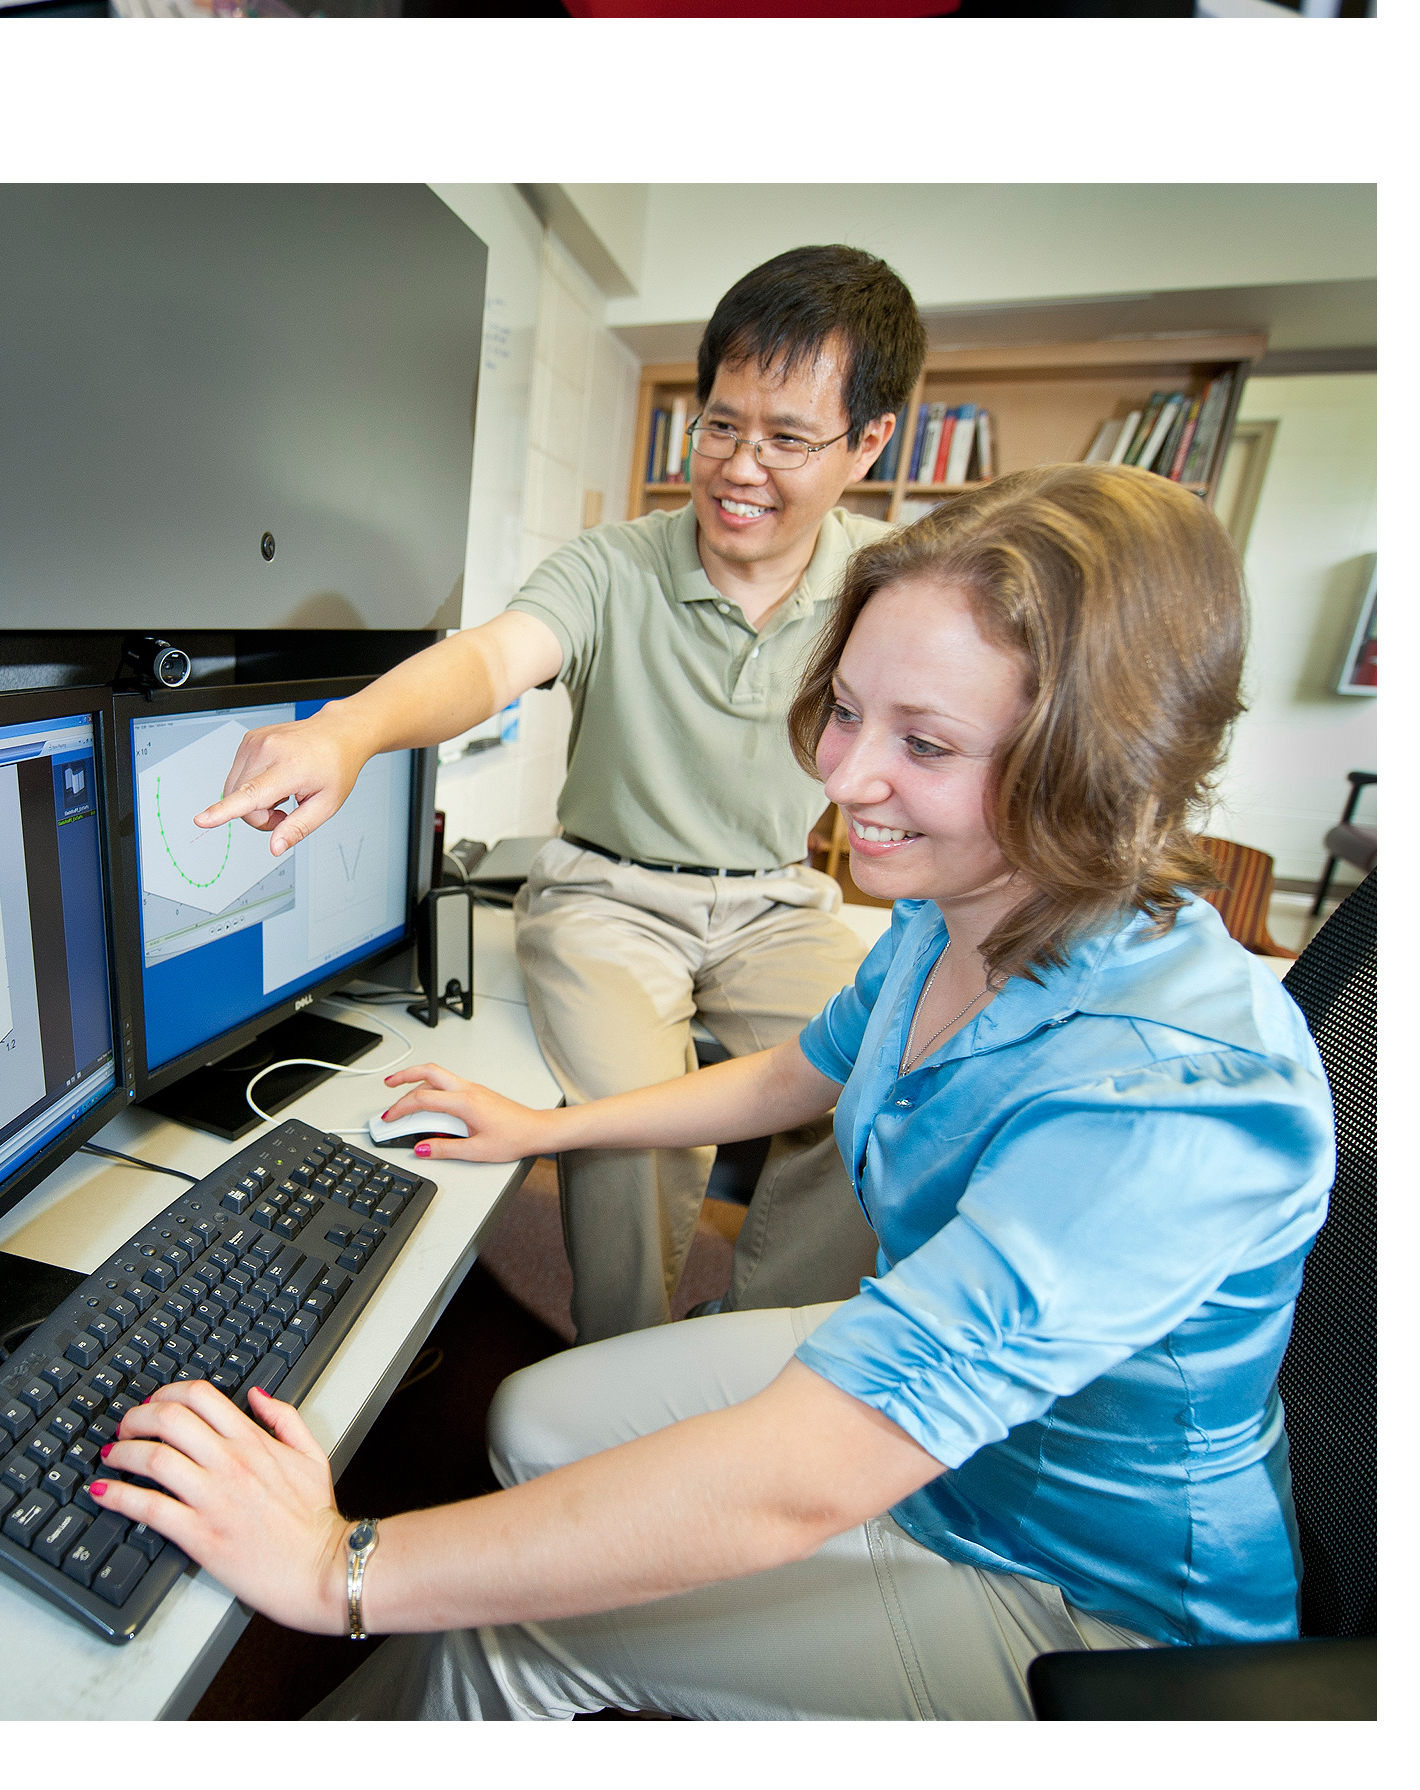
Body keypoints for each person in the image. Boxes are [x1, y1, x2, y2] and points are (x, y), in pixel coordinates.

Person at [94, 466, 1336, 1718]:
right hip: (947, 1426)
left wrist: (334, 1567)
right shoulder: (960, 907)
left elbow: (807, 1472)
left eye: (926, 743)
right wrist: (550, 1127)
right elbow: (806, 1069)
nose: (845, 779)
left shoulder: (1176, 1093)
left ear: (1097, 764)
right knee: (529, 1419)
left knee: (504, 1631)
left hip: (1073, 1586)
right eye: (846, 710)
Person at [198, 243, 925, 1338]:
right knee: (641, 1124)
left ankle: (766, 1355)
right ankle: (620, 1360)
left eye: (787, 438)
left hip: (779, 901)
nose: (739, 465)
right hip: (609, 896)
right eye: (721, 423)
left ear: (870, 440)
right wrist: (350, 728)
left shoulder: (892, 579)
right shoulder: (613, 564)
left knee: (888, 1082)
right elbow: (490, 658)